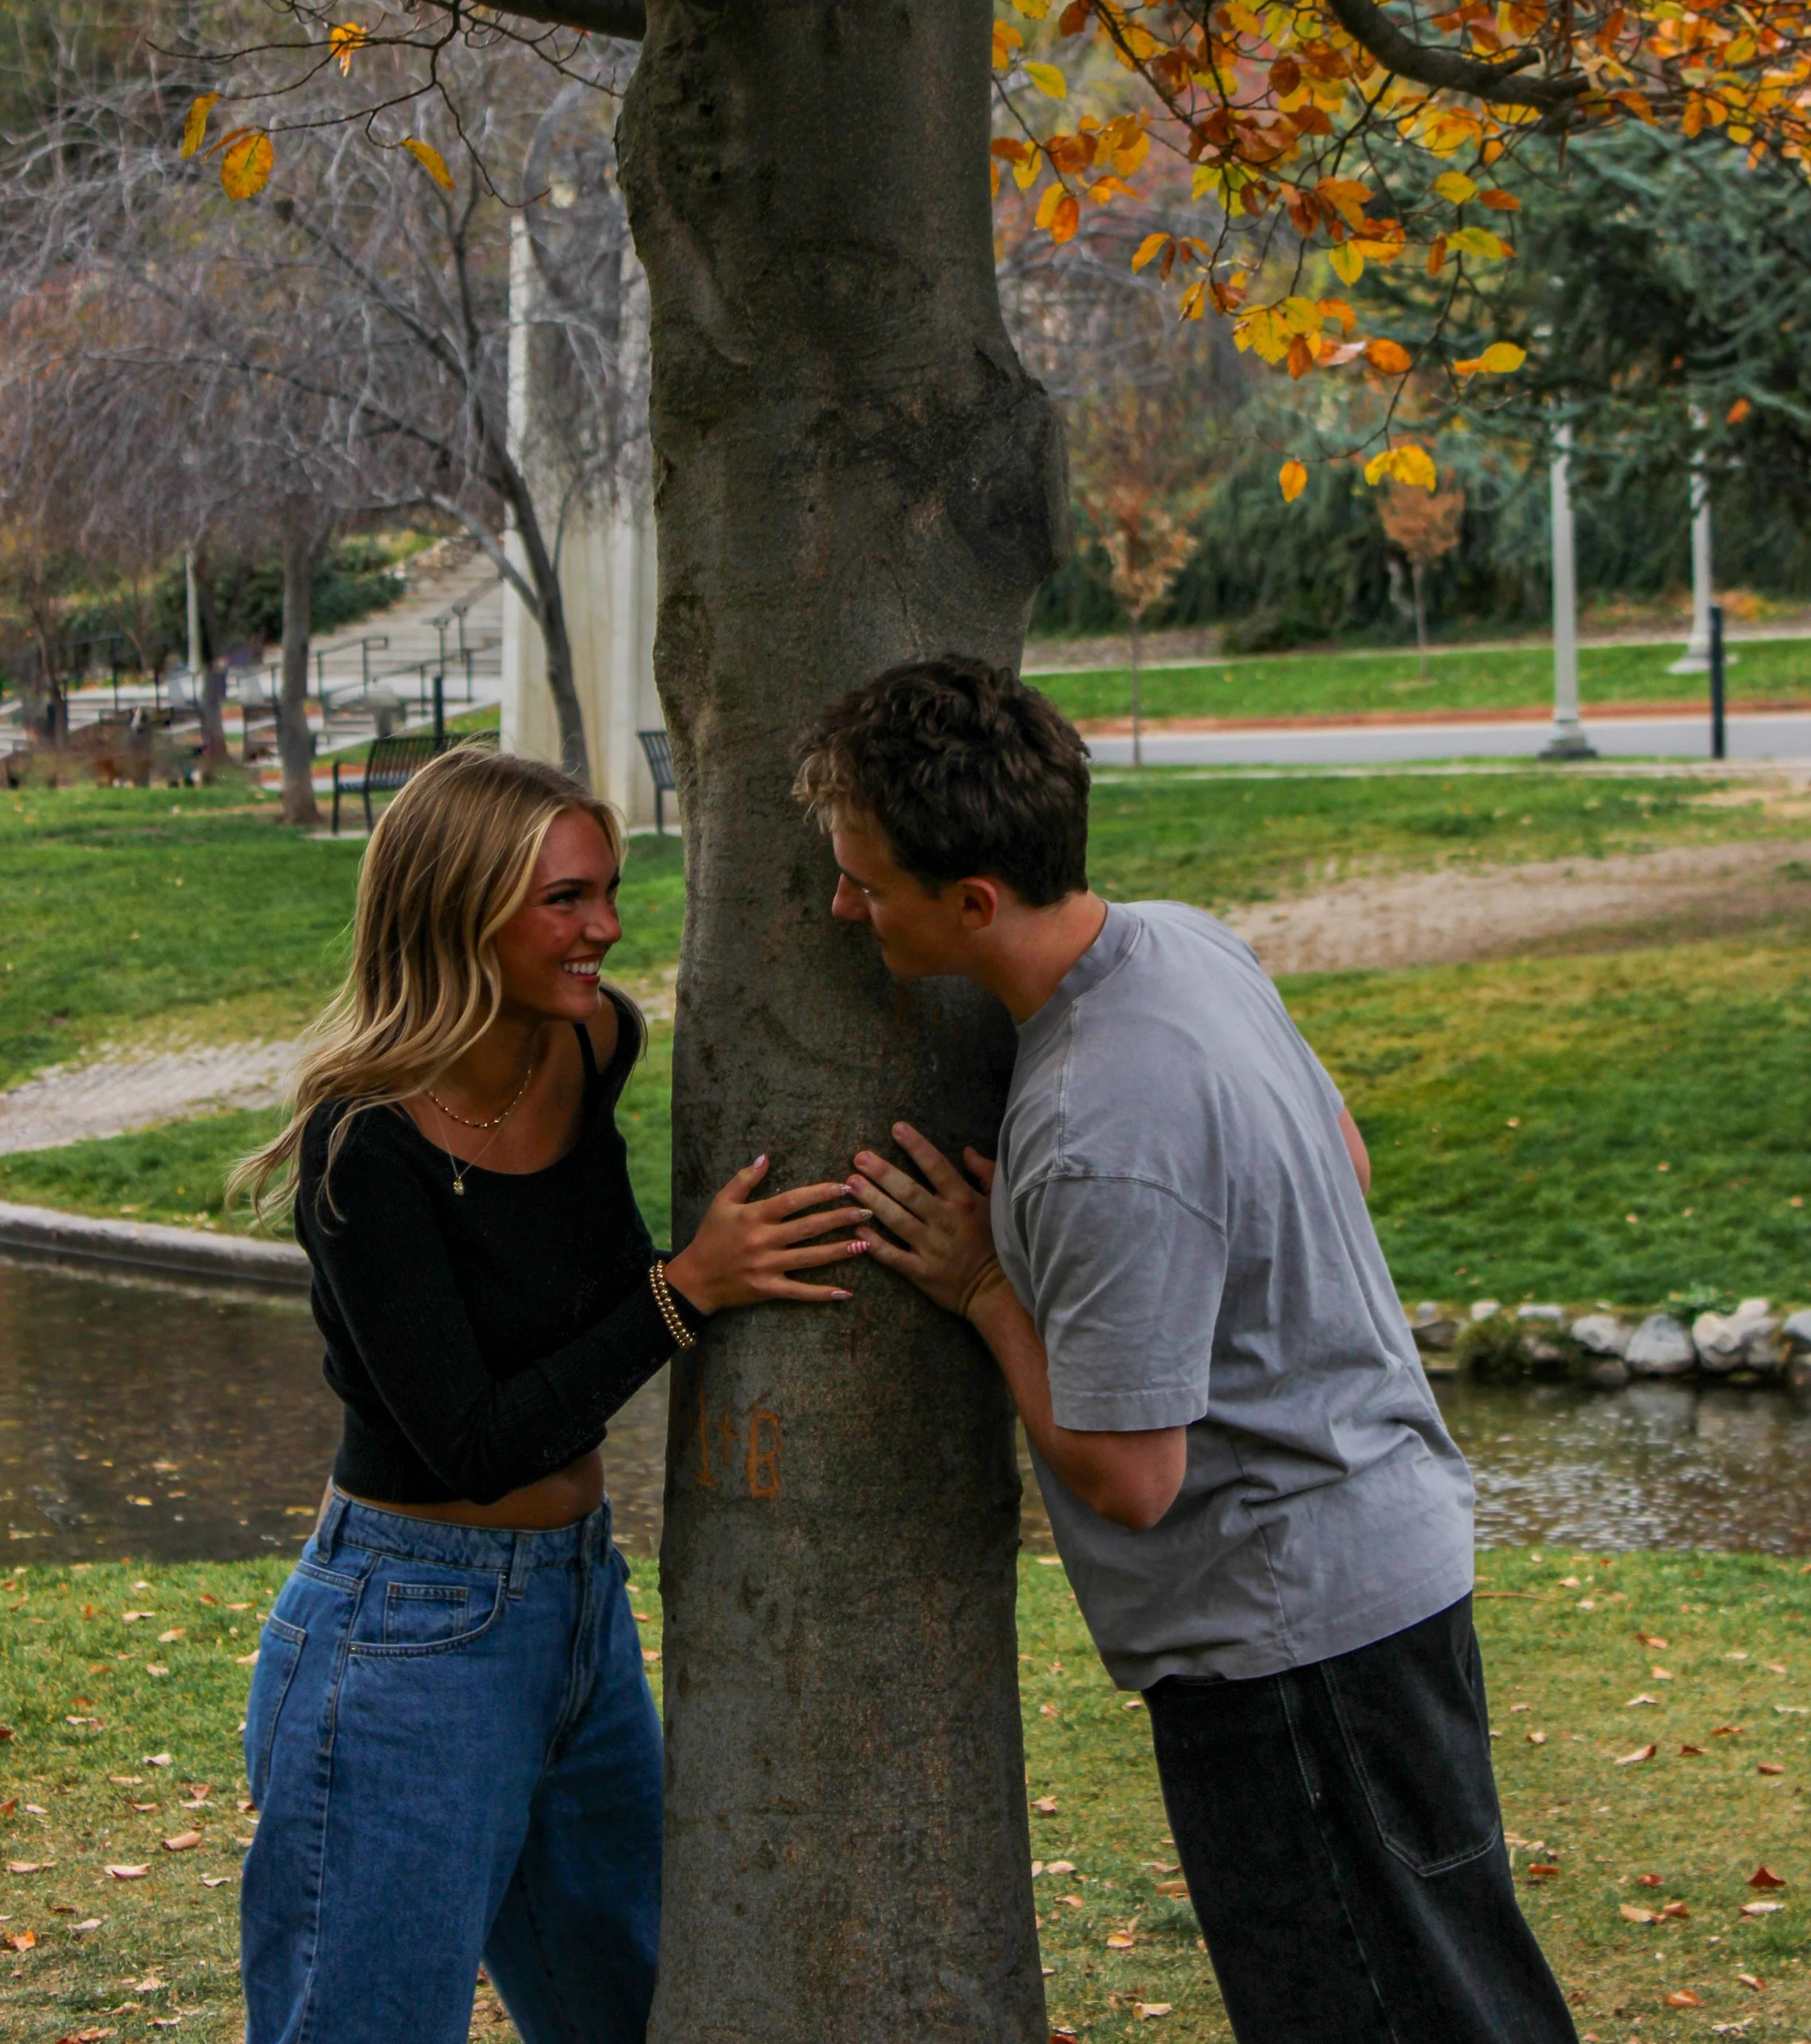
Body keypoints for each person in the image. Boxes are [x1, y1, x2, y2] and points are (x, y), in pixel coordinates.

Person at [794, 658, 1578, 2044]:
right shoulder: (1184, 942)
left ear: (973, 901)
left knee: (1370, 2015)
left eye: (866, 881)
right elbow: (1348, 1152)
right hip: (1384, 1577)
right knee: (1462, 1991)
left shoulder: (1102, 1120)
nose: (844, 904)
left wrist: (983, 1280)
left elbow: (1132, 1471)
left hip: (1291, 1648)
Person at [230, 746, 871, 2044]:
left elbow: (574, 1287)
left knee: (628, 2016)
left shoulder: (590, 1042)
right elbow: (474, 1438)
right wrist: (686, 1290)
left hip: (579, 1611)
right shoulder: (364, 1152)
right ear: (461, 907)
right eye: (567, 899)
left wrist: (675, 1285)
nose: (608, 929)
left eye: (609, 890)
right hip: (406, 1638)